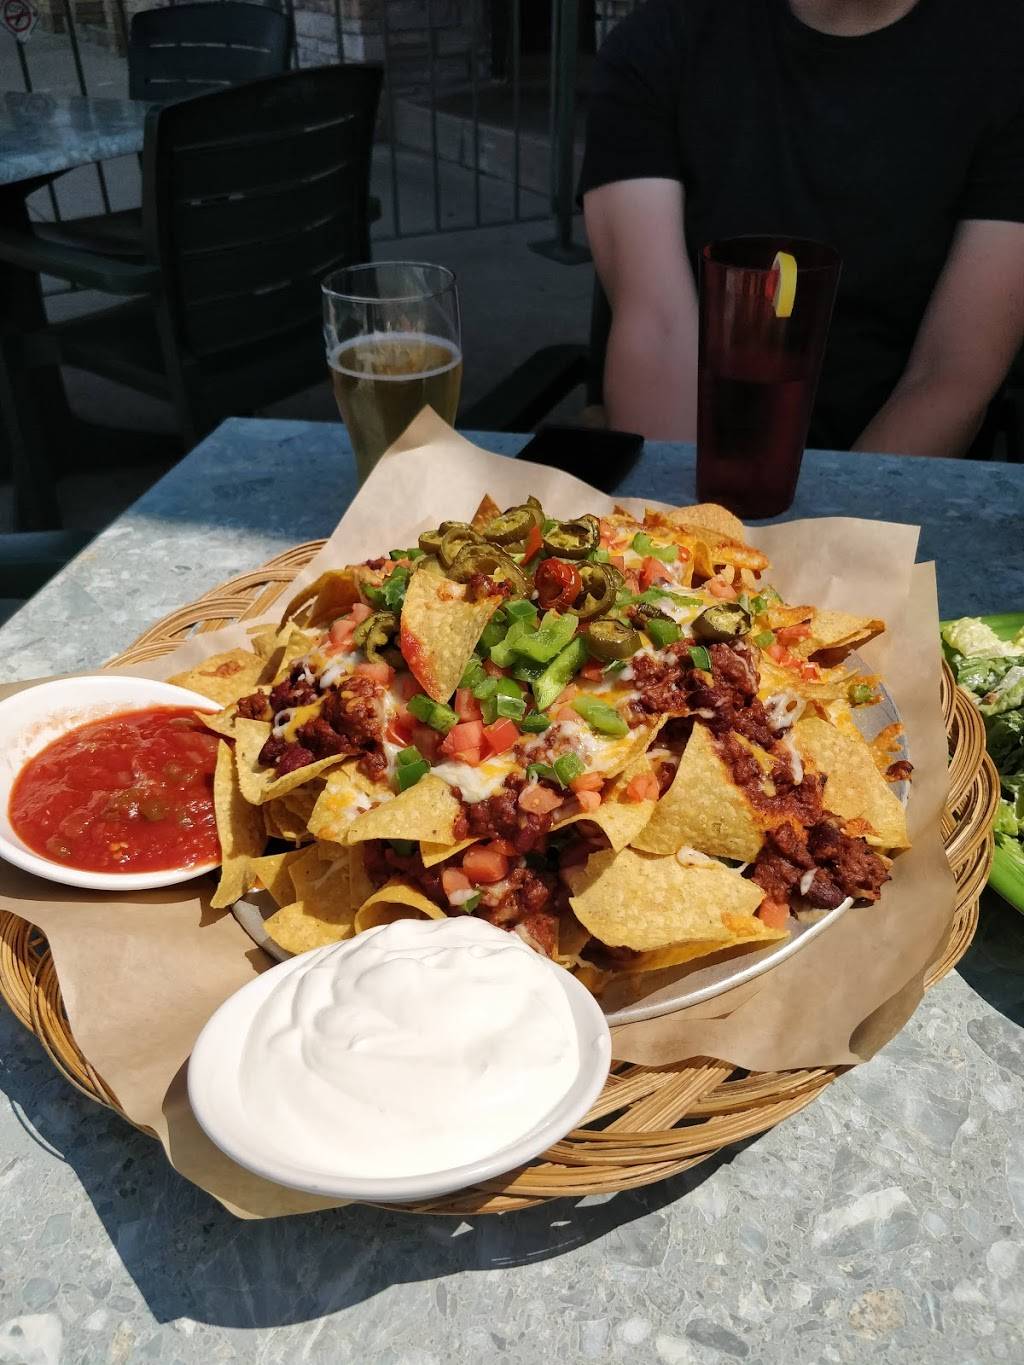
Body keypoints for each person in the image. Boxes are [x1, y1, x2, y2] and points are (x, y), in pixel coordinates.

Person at [580, 0, 1024, 456]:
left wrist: (839, 504)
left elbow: (951, 374)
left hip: (896, 476)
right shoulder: (658, 43)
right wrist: (710, 501)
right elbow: (659, 333)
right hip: (706, 463)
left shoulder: (1005, 58)